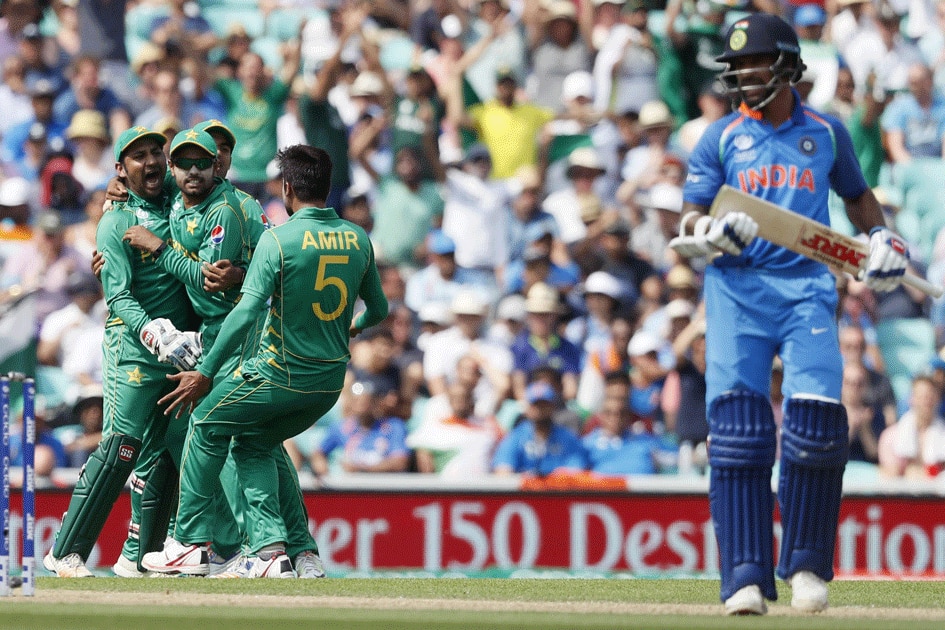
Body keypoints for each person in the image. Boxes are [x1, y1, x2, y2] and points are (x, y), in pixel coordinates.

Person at [669, 13, 913, 615]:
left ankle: (806, 566)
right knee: (738, 435)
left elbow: (859, 201)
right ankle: (745, 577)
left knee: (816, 426)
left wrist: (885, 243)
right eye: (736, 68)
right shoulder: (719, 136)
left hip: (806, 285)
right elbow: (689, 217)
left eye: (753, 63)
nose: (743, 76)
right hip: (736, 288)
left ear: (785, 65)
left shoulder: (825, 134)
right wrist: (712, 231)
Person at [142, 144, 388, 577]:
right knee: (254, 442)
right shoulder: (359, 238)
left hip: (279, 375)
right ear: (327, 189)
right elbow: (380, 311)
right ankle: (287, 553)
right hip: (329, 385)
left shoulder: (278, 240)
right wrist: (353, 326)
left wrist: (205, 371)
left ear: (287, 188)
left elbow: (244, 315)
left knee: (205, 423)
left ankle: (187, 543)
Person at [43, 126, 201, 578]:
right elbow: (119, 296)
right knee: (121, 446)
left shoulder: (176, 198)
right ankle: (66, 551)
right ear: (120, 169)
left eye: (156, 153)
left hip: (182, 353)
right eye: (138, 157)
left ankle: (142, 557)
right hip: (134, 348)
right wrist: (152, 332)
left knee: (170, 453)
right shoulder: (114, 220)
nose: (150, 162)